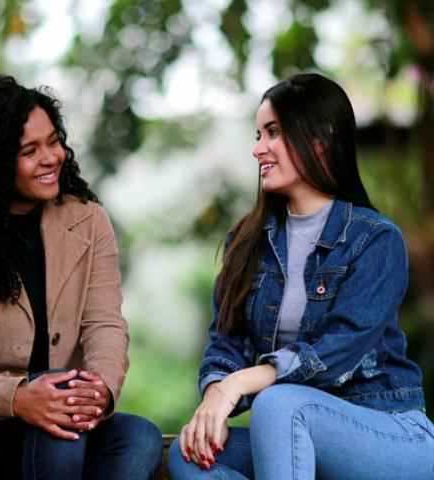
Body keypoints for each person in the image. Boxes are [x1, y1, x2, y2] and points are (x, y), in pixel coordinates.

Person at [168, 73, 434, 479]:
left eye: (272, 132)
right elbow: (226, 342)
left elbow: (335, 353)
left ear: (320, 138)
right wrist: (214, 399)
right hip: (290, 432)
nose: (258, 149)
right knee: (191, 454)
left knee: (279, 402)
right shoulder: (246, 241)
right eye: (258, 134)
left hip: (387, 432)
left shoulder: (376, 240)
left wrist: (240, 384)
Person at [0, 73, 162, 479]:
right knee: (60, 427)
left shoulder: (87, 220)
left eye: (53, 141)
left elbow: (106, 324)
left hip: (64, 414)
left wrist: (99, 389)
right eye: (29, 150)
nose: (51, 157)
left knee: (140, 439)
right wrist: (19, 397)